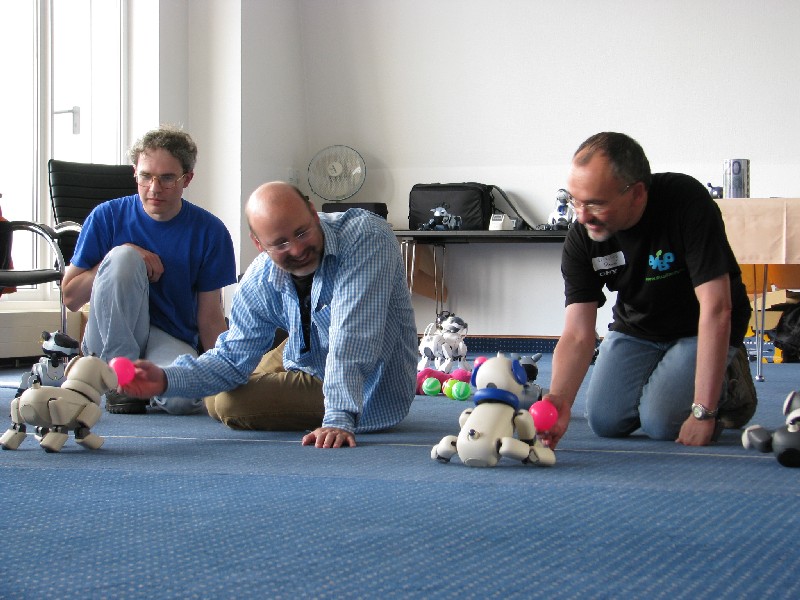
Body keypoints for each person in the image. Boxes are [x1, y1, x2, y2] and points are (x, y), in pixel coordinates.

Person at [120, 182, 418, 448]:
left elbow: (352, 339)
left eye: (302, 232)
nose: (297, 249)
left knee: (224, 403)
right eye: (280, 243)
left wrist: (338, 418)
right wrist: (165, 378)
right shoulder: (259, 279)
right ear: (259, 244)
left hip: (367, 383)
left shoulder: (366, 238)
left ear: (313, 213)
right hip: (303, 350)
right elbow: (230, 359)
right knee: (220, 381)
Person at [540, 132, 757, 449]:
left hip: (699, 327)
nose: (582, 216)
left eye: (596, 203)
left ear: (637, 193)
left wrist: (704, 411)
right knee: (604, 421)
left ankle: (730, 380)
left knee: (661, 422)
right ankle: (671, 377)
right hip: (638, 327)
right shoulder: (582, 236)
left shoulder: (686, 202)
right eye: (576, 200)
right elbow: (577, 334)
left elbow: (717, 308)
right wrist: (559, 400)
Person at [61, 125, 237, 415]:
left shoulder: (210, 231)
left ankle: (141, 384)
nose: (154, 188)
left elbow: (209, 318)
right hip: (108, 335)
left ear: (187, 179)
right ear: (135, 173)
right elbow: (70, 298)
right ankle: (118, 379)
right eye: (145, 176)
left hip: (168, 335)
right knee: (123, 258)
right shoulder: (106, 216)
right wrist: (120, 255)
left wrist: (225, 373)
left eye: (167, 178)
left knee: (183, 401)